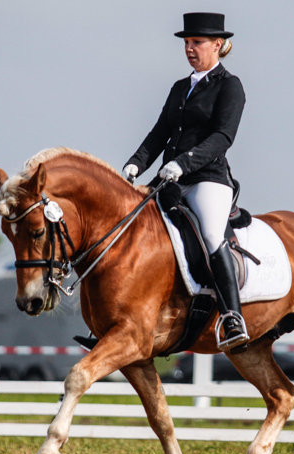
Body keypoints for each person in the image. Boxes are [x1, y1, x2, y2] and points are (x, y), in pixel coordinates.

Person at [121, 12, 248, 351]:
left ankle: (232, 316)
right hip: (170, 180)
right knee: (134, 226)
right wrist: (135, 164)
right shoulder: (180, 87)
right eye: (187, 43)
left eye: (197, 42)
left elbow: (223, 136)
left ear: (217, 45)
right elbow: (160, 133)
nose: (190, 49)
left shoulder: (229, 85)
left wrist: (184, 162)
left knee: (210, 234)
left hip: (208, 179)